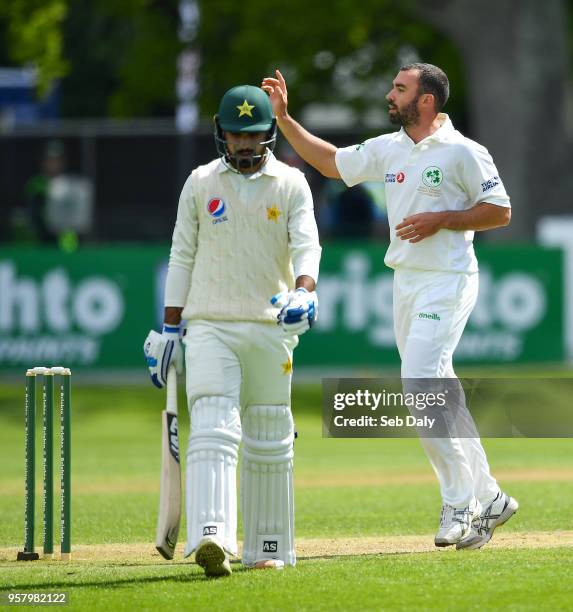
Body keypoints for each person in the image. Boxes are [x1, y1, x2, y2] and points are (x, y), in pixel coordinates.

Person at [262, 63, 517, 550]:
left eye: (400, 88)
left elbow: (500, 211)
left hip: (449, 279)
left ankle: (459, 501)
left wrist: (443, 219)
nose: (389, 94)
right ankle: (491, 497)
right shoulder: (392, 147)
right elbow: (333, 162)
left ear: (426, 101)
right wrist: (285, 120)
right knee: (440, 388)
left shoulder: (465, 151)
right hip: (407, 283)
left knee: (420, 380)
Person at [144, 84, 321, 576]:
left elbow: (308, 245)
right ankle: (212, 537)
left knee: (268, 434)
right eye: (236, 134)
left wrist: (304, 291)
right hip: (210, 325)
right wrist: (170, 327)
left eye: (254, 134)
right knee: (214, 426)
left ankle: (267, 547)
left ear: (268, 133)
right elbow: (182, 254)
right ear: (220, 132)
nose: (244, 143)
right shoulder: (200, 182)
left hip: (270, 325)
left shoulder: (290, 183)